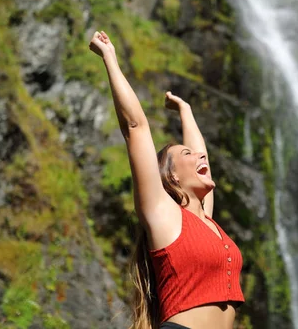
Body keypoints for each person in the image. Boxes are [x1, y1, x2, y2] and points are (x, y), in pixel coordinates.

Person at [89, 31, 245, 329]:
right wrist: (110, 58)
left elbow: (203, 156)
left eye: (200, 156)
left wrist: (186, 111)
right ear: (172, 176)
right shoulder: (164, 216)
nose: (202, 159)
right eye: (188, 154)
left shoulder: (208, 223)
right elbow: (135, 127)